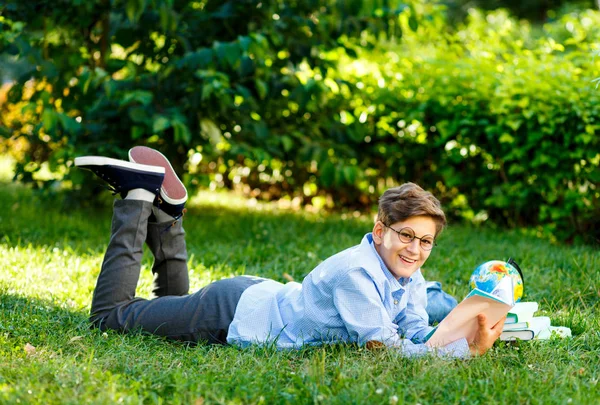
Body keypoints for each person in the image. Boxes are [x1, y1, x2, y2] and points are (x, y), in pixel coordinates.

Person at [75, 146, 505, 358]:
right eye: (406, 236)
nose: (415, 249)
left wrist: (458, 333)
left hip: (256, 296)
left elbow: (413, 329)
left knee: (166, 309)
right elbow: (383, 347)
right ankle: (136, 195)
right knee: (111, 318)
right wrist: (465, 352)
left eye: (425, 241)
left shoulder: (405, 274)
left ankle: (167, 214)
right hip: (231, 313)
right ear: (379, 230)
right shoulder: (357, 274)